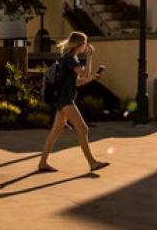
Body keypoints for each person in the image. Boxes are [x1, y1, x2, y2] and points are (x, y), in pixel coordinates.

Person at [37, 31, 110, 173]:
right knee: (83, 129)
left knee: (55, 131)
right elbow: (84, 73)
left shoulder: (70, 59)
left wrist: (93, 77)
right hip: (66, 100)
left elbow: (77, 82)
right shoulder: (70, 59)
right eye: (85, 43)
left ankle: (42, 163)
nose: (85, 46)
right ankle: (92, 163)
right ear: (79, 44)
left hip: (62, 100)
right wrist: (89, 57)